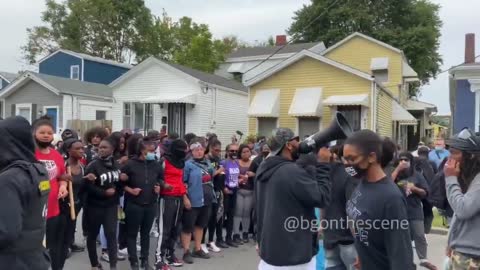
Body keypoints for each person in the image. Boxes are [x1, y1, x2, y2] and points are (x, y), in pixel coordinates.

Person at [256, 128, 331, 270]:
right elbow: (322, 198)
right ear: (289, 145)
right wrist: (323, 165)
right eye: (296, 140)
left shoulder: (263, 168)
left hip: (270, 255)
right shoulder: (292, 171)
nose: (300, 143)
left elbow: (259, 210)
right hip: (295, 258)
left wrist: (259, 240)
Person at [342, 130, 415, 269]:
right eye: (345, 159)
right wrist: (362, 254)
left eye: (352, 159)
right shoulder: (362, 184)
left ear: (372, 157)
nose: (347, 164)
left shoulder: (391, 198)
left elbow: (401, 255)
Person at [0, 116, 51, 270]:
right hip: (34, 257)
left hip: (11, 261)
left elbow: (5, 233)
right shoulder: (39, 170)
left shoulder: (9, 180)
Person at [121, 138, 166, 270]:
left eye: (154, 151)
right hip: (134, 204)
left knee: (146, 234)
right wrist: (130, 190)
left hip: (151, 204)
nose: (153, 153)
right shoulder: (130, 164)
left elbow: (161, 179)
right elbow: (121, 182)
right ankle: (133, 261)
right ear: (142, 150)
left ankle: (145, 261)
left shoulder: (156, 164)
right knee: (132, 234)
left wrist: (159, 186)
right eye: (150, 151)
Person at [33, 118, 70, 270]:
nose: (46, 135)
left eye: (49, 133)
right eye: (42, 132)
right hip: (34, 210)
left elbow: (62, 176)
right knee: (35, 248)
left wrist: (63, 186)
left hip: (54, 209)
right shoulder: (28, 154)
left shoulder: (56, 155)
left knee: (51, 246)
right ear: (34, 134)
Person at [391, 152, 436, 270]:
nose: (403, 162)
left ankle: (423, 259)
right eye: (401, 160)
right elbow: (387, 184)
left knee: (420, 235)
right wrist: (398, 169)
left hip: (415, 210)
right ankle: (408, 263)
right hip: (399, 212)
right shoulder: (395, 174)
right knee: (404, 240)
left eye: (406, 160)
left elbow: (426, 192)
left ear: (411, 162)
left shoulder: (417, 175)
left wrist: (414, 188)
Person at [444, 128, 480, 269]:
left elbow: (463, 210)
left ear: (470, 156)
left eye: (455, 153)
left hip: (472, 257)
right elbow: (458, 214)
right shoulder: (472, 178)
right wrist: (451, 241)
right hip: (464, 253)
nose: (450, 159)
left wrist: (451, 178)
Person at [84, 137, 122, 270]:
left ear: (112, 149)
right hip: (95, 206)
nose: (101, 149)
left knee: (111, 234)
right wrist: (103, 193)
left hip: (111, 206)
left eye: (105, 147)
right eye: (100, 147)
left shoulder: (117, 165)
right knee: (92, 235)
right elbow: (87, 187)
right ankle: (94, 264)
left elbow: (120, 184)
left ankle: (113, 265)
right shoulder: (93, 165)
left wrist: (118, 191)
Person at [322, 144, 359, 270]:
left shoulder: (324, 173)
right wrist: (358, 239)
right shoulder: (350, 175)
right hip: (347, 238)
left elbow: (322, 202)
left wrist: (322, 225)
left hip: (330, 236)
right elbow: (351, 210)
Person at [155, 139, 188, 269]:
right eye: (182, 150)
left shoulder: (181, 162)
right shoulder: (163, 161)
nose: (184, 153)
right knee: (165, 229)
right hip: (166, 198)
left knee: (175, 228)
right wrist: (163, 185)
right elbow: (156, 176)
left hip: (178, 197)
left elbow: (180, 180)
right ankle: (158, 259)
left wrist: (184, 196)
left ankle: (170, 255)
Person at [181, 138, 215, 264]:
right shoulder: (187, 165)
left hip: (206, 199)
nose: (199, 152)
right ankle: (186, 251)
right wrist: (185, 198)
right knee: (188, 226)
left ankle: (198, 248)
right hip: (193, 200)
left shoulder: (208, 163)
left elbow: (210, 179)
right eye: (196, 150)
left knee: (200, 225)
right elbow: (183, 183)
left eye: (201, 149)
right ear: (192, 151)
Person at [201, 139, 227, 252]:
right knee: (206, 218)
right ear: (211, 148)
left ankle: (211, 241)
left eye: (219, 150)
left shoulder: (218, 159)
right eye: (216, 150)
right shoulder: (206, 159)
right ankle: (202, 242)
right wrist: (218, 171)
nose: (218, 152)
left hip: (218, 190)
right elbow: (207, 176)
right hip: (208, 191)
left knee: (214, 218)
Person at [63, 138, 87, 254]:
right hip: (63, 203)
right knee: (63, 225)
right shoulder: (63, 165)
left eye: (82, 148)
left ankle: (70, 243)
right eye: (77, 149)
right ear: (69, 150)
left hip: (77, 202)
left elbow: (83, 187)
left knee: (72, 225)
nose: (81, 151)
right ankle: (64, 246)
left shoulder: (82, 167)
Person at [233, 144, 254, 244]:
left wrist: (253, 174)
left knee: (246, 213)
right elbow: (231, 174)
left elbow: (258, 174)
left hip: (250, 191)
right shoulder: (236, 162)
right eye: (243, 152)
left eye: (248, 151)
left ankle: (245, 233)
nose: (246, 153)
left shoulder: (253, 163)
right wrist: (240, 178)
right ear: (240, 153)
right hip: (239, 190)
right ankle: (236, 234)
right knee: (238, 212)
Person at [221, 143, 240, 247]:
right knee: (223, 215)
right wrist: (224, 188)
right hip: (226, 191)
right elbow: (220, 177)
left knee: (231, 215)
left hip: (234, 190)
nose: (234, 153)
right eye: (232, 151)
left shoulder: (236, 163)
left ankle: (229, 238)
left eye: (236, 151)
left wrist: (240, 179)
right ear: (227, 152)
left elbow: (235, 176)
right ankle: (219, 239)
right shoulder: (223, 163)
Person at [415, 146, 437, 234]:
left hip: (416, 189)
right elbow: (435, 177)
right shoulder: (432, 163)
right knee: (428, 211)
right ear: (428, 154)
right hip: (429, 191)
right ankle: (426, 230)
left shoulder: (415, 162)